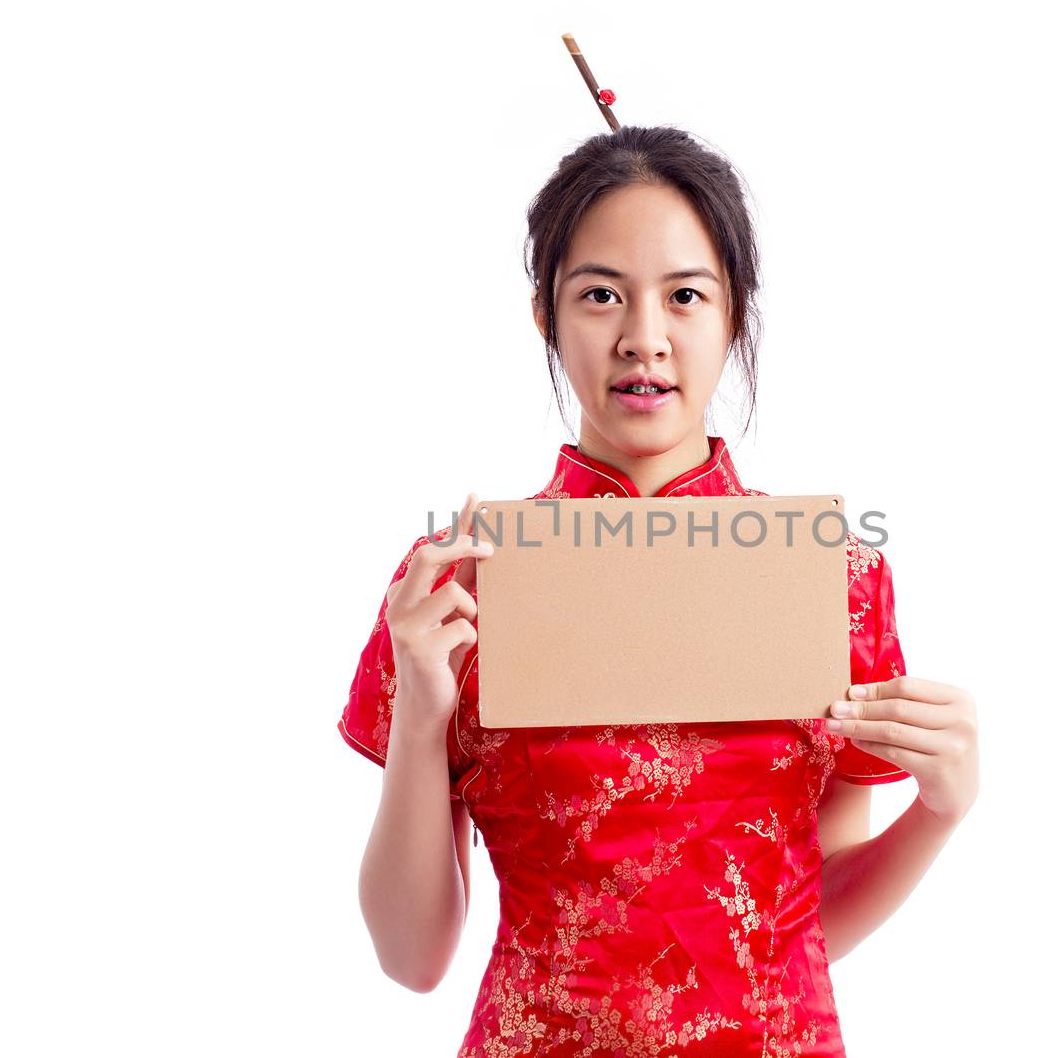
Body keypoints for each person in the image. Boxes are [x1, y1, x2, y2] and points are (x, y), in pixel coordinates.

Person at [338, 125, 980, 1057]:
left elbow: (808, 920)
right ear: (544, 316)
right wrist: (421, 715)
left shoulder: (827, 576)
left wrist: (940, 812)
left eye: (685, 296)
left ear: (734, 313)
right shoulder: (459, 586)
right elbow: (412, 958)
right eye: (600, 295)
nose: (644, 338)